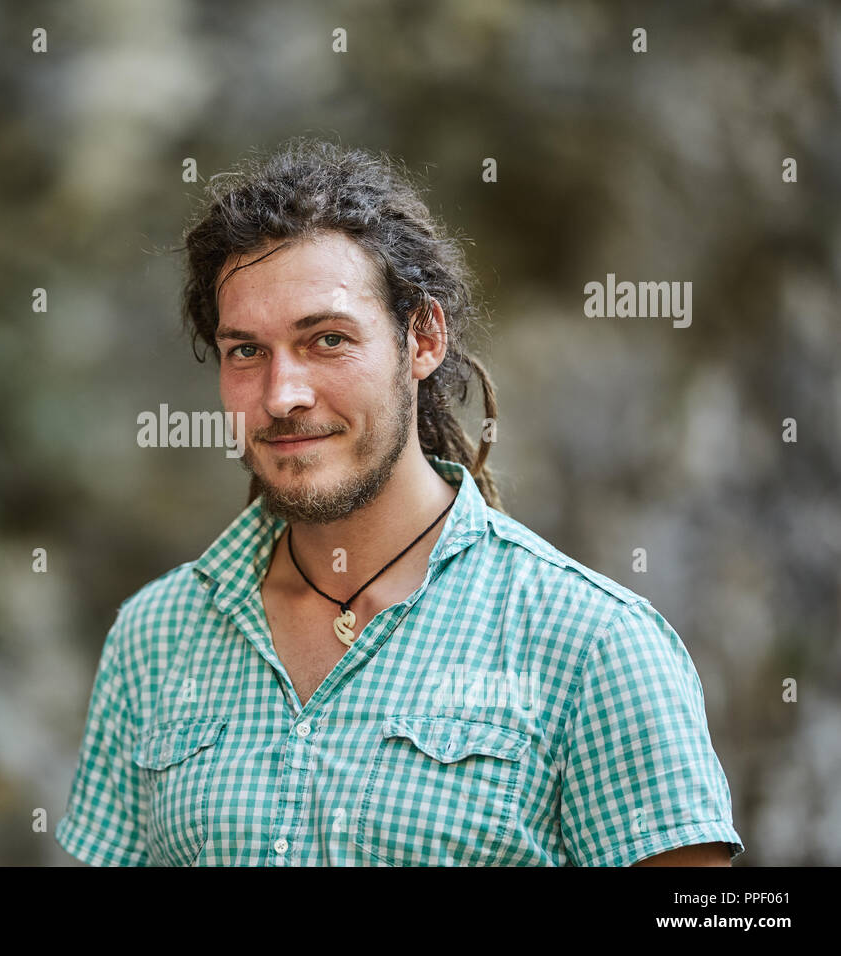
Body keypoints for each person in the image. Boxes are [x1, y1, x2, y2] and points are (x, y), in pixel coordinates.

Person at [55, 136, 744, 866]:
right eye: (246, 351)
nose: (283, 394)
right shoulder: (153, 637)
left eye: (326, 339)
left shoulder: (595, 647)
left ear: (422, 340)